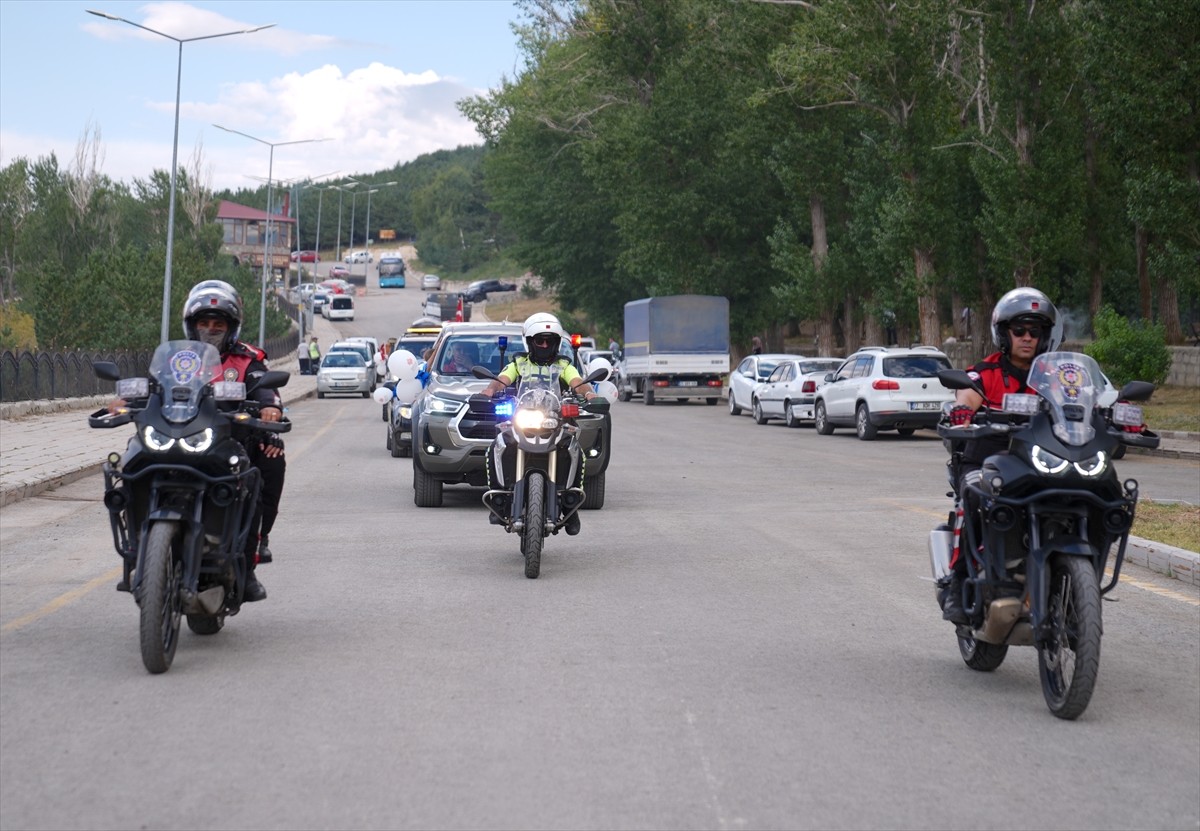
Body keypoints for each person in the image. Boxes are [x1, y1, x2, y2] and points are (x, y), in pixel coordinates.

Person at [939, 287, 1062, 623]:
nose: (1027, 338)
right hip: (987, 460)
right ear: (1004, 333)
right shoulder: (987, 372)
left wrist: (1113, 414)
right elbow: (967, 393)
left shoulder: (1054, 378)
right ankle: (957, 584)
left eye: (1034, 332)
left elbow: (1085, 401)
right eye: (1019, 330)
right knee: (977, 497)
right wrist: (962, 412)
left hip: (1040, 463)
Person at [181, 280, 287, 602]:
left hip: (232, 441)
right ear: (192, 325)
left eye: (218, 324)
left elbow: (264, 387)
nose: (210, 330)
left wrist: (270, 407)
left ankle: (252, 554)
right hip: (183, 438)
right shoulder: (180, 358)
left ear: (231, 328)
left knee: (267, 460)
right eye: (204, 323)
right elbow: (155, 384)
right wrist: (128, 399)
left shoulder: (247, 360)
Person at [481, 312, 597, 534]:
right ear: (530, 341)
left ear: (555, 343)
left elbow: (578, 382)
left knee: (575, 450)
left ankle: (572, 503)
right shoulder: (519, 362)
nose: (544, 344)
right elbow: (502, 379)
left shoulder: (564, 365)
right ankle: (498, 498)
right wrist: (490, 390)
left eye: (550, 340)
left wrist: (589, 394)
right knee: (497, 445)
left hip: (555, 419)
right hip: (522, 418)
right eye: (539, 340)